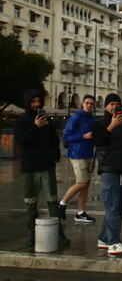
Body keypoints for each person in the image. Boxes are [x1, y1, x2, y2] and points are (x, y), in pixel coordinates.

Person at [14, 89, 70, 247]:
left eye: (38, 101)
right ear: (27, 103)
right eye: (33, 102)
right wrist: (34, 126)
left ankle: (58, 232)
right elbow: (21, 140)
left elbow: (53, 139)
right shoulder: (21, 122)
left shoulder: (47, 122)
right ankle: (32, 232)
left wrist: (56, 154)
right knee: (30, 202)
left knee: (52, 200)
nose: (36, 104)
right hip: (29, 168)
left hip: (46, 167)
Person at [93, 93, 122, 255]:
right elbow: (98, 141)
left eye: (116, 104)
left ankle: (104, 238)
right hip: (109, 168)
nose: (113, 107)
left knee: (121, 205)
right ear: (106, 106)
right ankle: (114, 242)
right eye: (111, 104)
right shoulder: (99, 123)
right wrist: (111, 126)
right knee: (111, 205)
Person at [58, 94, 96, 223]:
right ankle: (62, 203)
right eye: (87, 103)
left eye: (91, 103)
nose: (89, 105)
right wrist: (83, 136)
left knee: (86, 184)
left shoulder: (93, 119)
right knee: (81, 182)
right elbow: (66, 137)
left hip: (89, 153)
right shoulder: (75, 118)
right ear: (82, 104)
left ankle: (80, 212)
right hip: (77, 154)